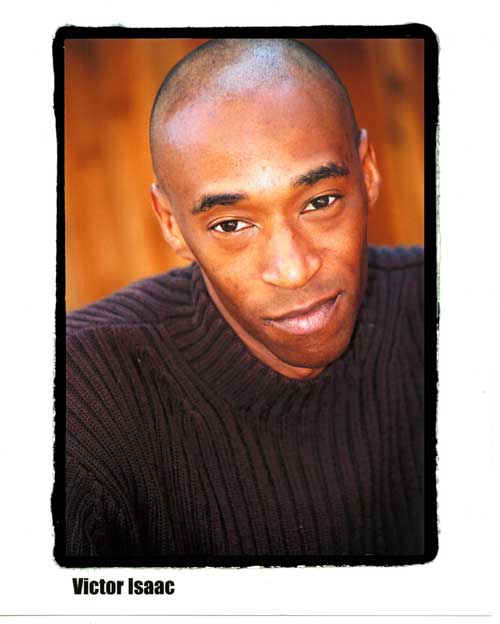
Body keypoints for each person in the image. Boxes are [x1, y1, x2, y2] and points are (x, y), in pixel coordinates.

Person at [65, 39, 424, 558]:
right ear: (171, 223)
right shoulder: (80, 396)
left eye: (320, 201)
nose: (293, 269)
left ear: (366, 173)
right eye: (231, 225)